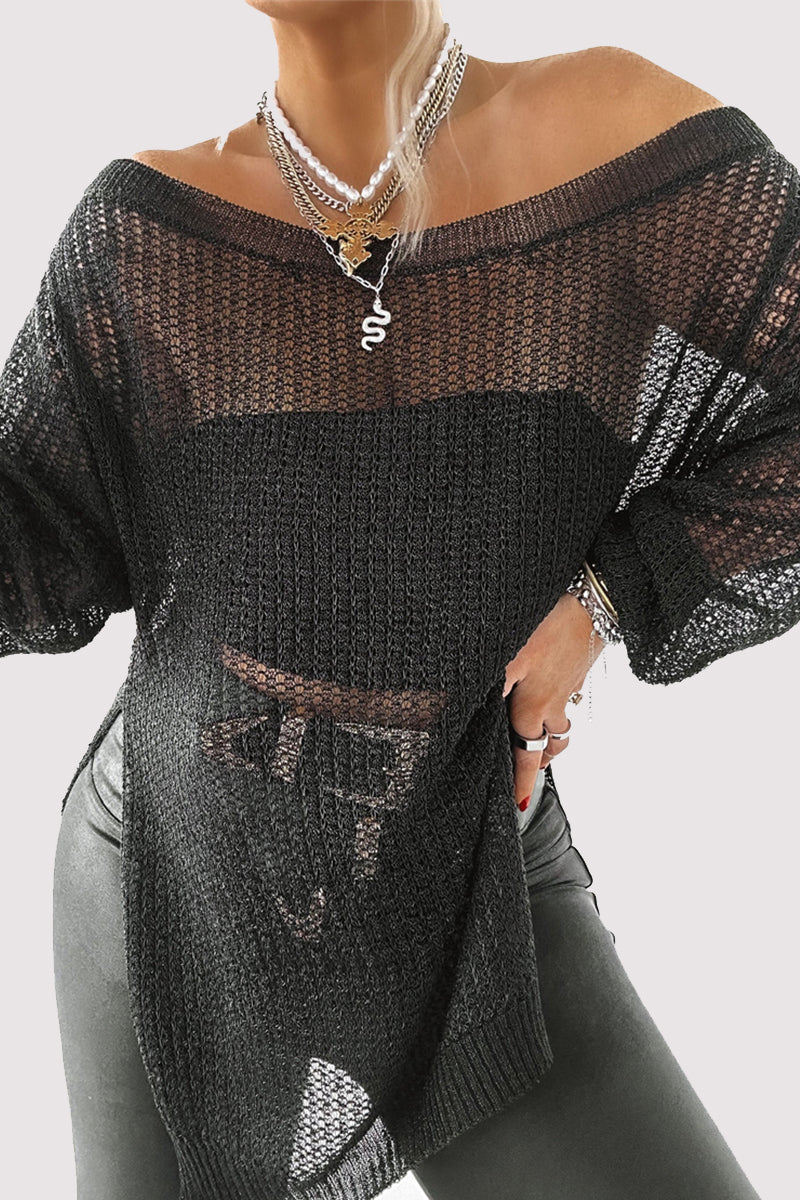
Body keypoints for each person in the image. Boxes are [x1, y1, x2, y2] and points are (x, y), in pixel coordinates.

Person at [3, 2, 796, 1197]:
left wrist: (606, 598)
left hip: (467, 859)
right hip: (173, 869)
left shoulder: (612, 130)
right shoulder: (144, 225)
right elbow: (32, 542)